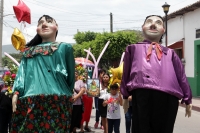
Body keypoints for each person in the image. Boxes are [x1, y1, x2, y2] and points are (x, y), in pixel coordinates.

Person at [120, 15, 192, 133]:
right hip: (141, 93)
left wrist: (188, 99)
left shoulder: (170, 53)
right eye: (149, 22)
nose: (153, 24)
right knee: (141, 129)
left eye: (158, 23)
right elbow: (126, 73)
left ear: (163, 30)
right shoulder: (133, 49)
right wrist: (125, 95)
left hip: (168, 97)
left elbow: (181, 76)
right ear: (143, 27)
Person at [11, 15, 75, 132]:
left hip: (58, 100)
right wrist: (16, 93)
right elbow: (22, 74)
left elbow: (71, 78)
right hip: (31, 100)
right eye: (40, 23)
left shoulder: (65, 48)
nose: (44, 24)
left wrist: (65, 93)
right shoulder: (28, 52)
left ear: (56, 27)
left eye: (49, 22)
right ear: (37, 29)